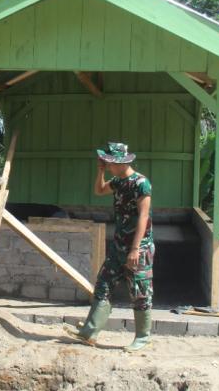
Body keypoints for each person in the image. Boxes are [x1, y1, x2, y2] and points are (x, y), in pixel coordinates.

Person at [65, 142, 155, 352]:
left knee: (140, 290)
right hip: (118, 245)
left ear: (122, 162)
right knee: (104, 283)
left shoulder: (141, 183)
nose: (107, 163)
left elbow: (143, 216)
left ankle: (143, 338)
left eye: (109, 161)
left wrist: (135, 249)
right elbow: (99, 190)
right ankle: (90, 331)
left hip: (138, 247)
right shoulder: (118, 181)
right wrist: (100, 171)